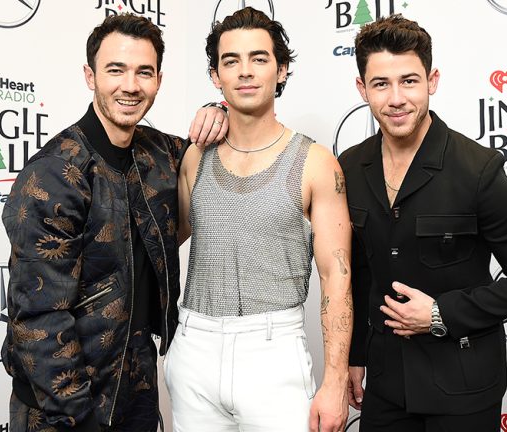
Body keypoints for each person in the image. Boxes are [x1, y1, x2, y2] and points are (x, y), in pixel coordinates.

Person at [1, 13, 228, 432]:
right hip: (63, 407)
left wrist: (218, 110)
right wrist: (76, 414)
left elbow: (216, 148)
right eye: (115, 70)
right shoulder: (54, 174)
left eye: (144, 72)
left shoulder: (159, 153)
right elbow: (37, 317)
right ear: (90, 76)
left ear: (159, 79)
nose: (130, 85)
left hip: (137, 386)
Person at [338, 15, 507, 431]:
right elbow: (361, 271)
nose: (397, 98)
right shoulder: (350, 165)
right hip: (386, 387)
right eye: (381, 84)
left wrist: (440, 313)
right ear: (362, 88)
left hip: (464, 386)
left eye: (409, 81)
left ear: (432, 80)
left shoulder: (477, 168)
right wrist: (356, 355)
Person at [167, 7, 352, 432]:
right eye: (231, 61)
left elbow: (336, 280)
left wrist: (336, 380)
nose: (245, 72)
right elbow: (164, 239)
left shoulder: (316, 163)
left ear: (281, 70)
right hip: (194, 346)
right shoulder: (194, 156)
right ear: (216, 76)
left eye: (259, 59)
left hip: (274, 356)